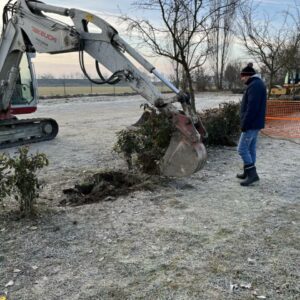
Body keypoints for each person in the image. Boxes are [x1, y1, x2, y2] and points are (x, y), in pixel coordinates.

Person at [237, 63, 267, 186]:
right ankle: (247, 172)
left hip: (251, 123)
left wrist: (245, 123)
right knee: (250, 148)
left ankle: (252, 175)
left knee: (242, 149)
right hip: (256, 123)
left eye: (243, 76)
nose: (242, 79)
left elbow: (252, 108)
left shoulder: (254, 86)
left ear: (248, 75)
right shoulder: (257, 84)